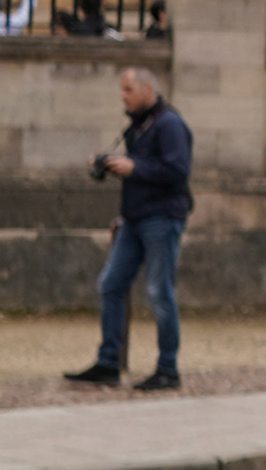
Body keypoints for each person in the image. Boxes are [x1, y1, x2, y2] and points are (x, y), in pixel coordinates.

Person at [62, 68, 193, 391]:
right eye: (122, 90)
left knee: (159, 292)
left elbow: (178, 170)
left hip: (161, 218)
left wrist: (135, 167)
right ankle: (109, 363)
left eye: (128, 90)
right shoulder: (140, 125)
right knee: (110, 284)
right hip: (134, 219)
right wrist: (113, 165)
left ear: (148, 89)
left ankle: (168, 369)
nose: (123, 96)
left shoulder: (169, 124)